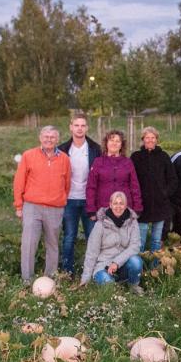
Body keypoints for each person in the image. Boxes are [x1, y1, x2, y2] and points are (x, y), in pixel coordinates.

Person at [12, 125, 71, 284]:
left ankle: (49, 280)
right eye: (46, 137)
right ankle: (27, 280)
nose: (49, 140)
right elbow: (19, 182)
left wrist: (60, 199)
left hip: (55, 208)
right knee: (29, 243)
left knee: (52, 245)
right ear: (40, 138)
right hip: (32, 206)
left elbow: (66, 183)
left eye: (52, 137)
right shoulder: (28, 155)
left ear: (57, 139)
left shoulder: (64, 158)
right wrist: (19, 205)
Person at [57, 113, 102, 276]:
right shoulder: (62, 149)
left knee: (92, 237)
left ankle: (92, 271)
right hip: (69, 200)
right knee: (69, 236)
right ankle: (67, 272)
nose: (79, 128)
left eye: (83, 125)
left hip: (89, 201)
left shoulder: (95, 149)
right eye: (76, 125)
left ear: (87, 128)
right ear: (71, 127)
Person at [79, 191, 144, 294]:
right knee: (109, 286)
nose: (118, 206)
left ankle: (133, 286)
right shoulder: (100, 224)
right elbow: (92, 252)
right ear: (110, 205)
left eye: (121, 203)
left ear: (126, 205)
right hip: (103, 266)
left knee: (136, 261)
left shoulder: (132, 222)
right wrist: (85, 278)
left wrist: (116, 262)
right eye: (115, 203)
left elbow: (135, 246)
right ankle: (114, 286)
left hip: (123, 264)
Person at [130, 126, 177, 253]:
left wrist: (165, 193)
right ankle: (139, 267)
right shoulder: (136, 157)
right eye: (147, 137)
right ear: (143, 139)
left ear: (156, 140)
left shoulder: (164, 157)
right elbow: (131, 179)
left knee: (157, 240)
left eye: (153, 137)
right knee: (140, 240)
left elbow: (173, 179)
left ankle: (154, 268)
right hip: (142, 205)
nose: (150, 140)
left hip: (160, 204)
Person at [86, 130, 143, 221]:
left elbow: (134, 187)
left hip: (124, 209)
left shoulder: (128, 162)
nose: (114, 143)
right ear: (106, 143)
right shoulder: (98, 162)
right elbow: (91, 187)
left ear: (121, 145)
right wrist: (91, 209)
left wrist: (137, 208)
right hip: (103, 209)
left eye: (118, 141)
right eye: (111, 140)